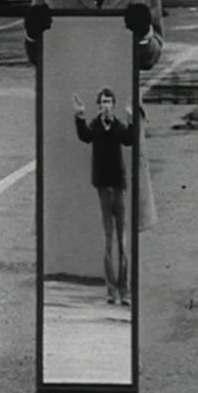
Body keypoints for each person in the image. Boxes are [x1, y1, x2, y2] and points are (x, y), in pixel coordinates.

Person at [25, 0, 160, 232]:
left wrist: (144, 34)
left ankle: (120, 287)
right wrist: (32, 34)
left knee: (122, 218)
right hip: (71, 113)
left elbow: (151, 57)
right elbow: (39, 58)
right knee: (73, 214)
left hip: (119, 114)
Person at [73, 88, 133, 305]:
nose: (106, 105)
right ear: (99, 105)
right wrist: (79, 115)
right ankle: (111, 290)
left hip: (118, 186)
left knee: (123, 242)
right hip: (103, 187)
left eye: (109, 101)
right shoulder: (96, 126)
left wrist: (130, 118)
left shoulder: (117, 126)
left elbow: (128, 140)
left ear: (113, 105)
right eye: (103, 102)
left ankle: (124, 290)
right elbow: (84, 136)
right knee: (109, 239)